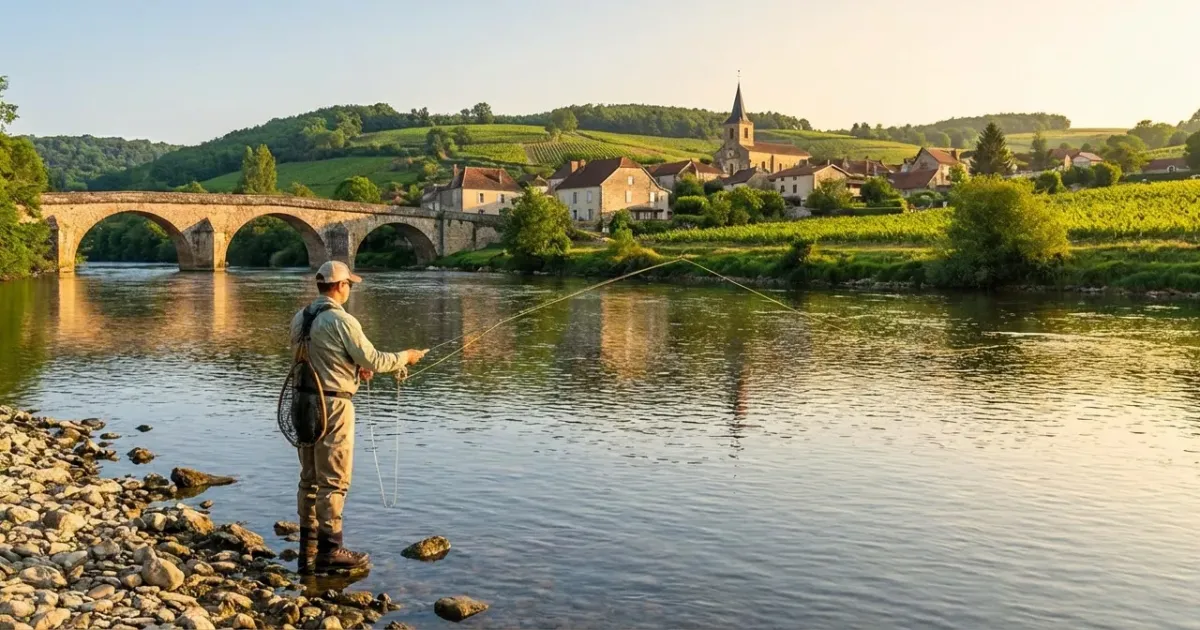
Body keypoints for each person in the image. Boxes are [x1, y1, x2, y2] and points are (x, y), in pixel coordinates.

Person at [289, 260, 427, 574]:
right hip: (334, 407)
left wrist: (352, 367)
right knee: (334, 481)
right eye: (349, 283)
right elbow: (376, 360)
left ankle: (307, 550)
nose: (350, 288)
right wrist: (406, 356)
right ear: (339, 286)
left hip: (302, 404)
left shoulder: (301, 317)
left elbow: (314, 357)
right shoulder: (342, 320)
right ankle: (331, 550)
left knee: (309, 478)